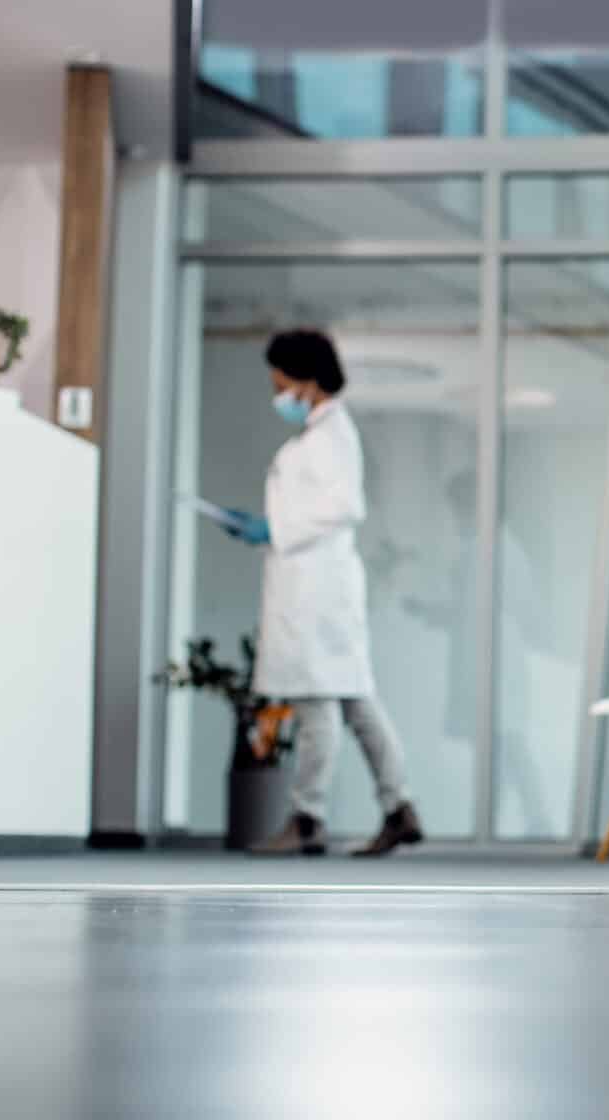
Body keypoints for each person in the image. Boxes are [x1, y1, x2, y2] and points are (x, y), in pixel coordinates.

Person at [231, 329, 424, 857]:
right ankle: (398, 806)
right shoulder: (317, 434)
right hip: (315, 583)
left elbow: (344, 506)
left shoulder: (332, 434)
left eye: (282, 383)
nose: (278, 393)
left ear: (309, 381)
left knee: (318, 704)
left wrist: (275, 527)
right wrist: (270, 527)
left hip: (318, 587)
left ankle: (308, 817)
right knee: (357, 703)